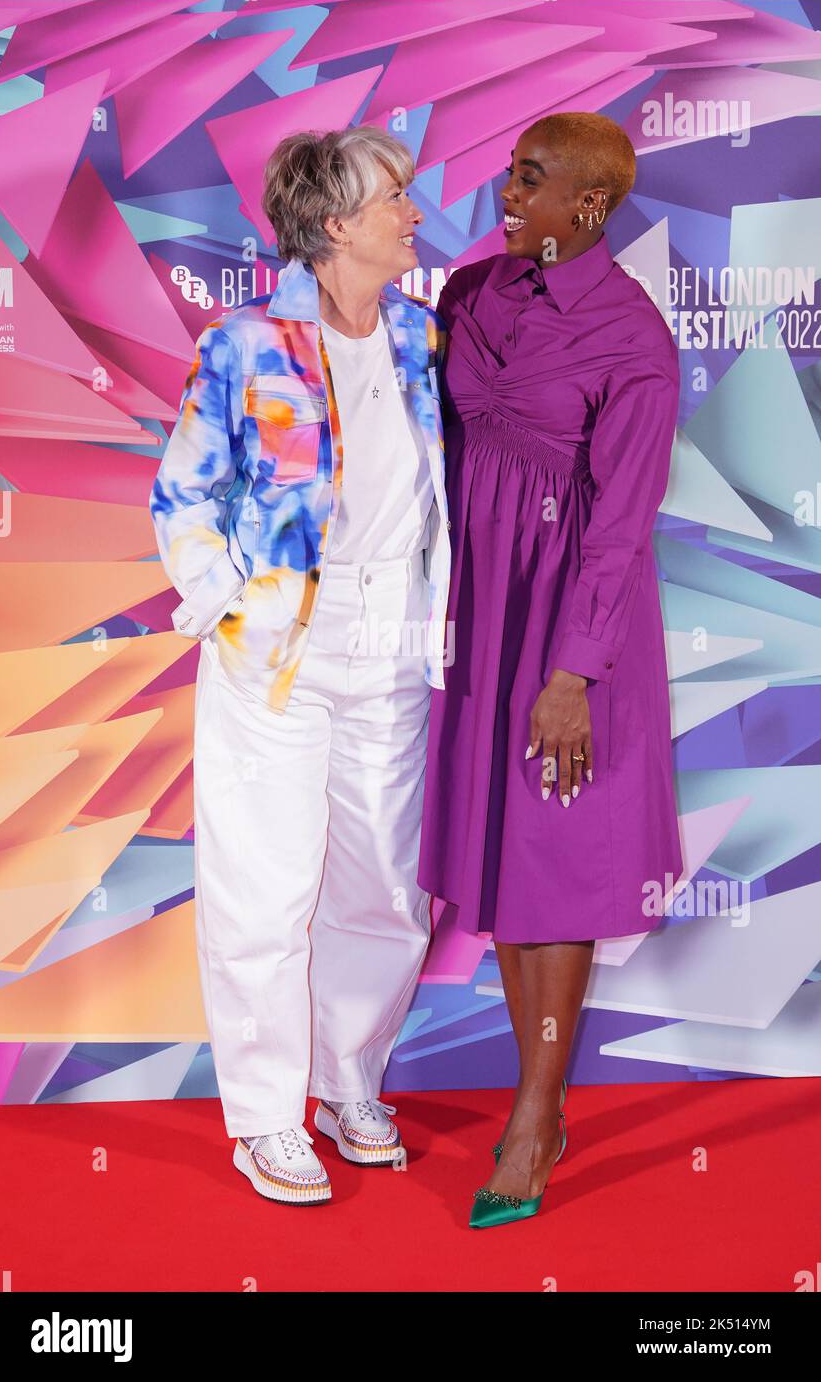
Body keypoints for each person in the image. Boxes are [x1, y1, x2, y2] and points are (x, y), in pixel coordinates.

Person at [149, 125, 451, 1204]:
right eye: (395, 196)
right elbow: (182, 494)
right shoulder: (242, 343)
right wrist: (231, 606)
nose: (415, 211)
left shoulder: (423, 334)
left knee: (382, 885)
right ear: (334, 223)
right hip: (276, 649)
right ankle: (267, 1119)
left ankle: (349, 1083)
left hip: (395, 641)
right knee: (265, 889)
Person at [417, 112, 683, 1229]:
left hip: (575, 629)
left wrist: (574, 671)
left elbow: (621, 525)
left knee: (559, 863)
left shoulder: (634, 339)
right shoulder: (468, 297)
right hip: (477, 612)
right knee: (509, 866)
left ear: (588, 206)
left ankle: (535, 1112)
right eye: (510, 168)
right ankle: (543, 1098)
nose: (505, 188)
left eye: (531, 178)